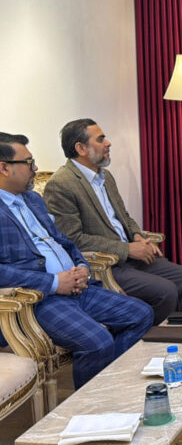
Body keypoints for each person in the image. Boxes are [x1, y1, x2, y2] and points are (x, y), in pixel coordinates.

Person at [0, 132, 153, 389]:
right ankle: (92, 403)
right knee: (98, 341)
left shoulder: (32, 199)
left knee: (141, 314)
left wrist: (81, 266)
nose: (35, 168)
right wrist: (53, 282)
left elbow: (65, 241)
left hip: (78, 286)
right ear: (4, 168)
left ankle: (109, 386)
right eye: (28, 162)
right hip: (38, 300)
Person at [43, 119, 182, 325]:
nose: (108, 143)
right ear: (81, 148)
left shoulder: (105, 176)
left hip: (131, 257)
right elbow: (72, 239)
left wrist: (137, 236)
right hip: (106, 265)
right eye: (100, 139)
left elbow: (124, 216)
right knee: (166, 291)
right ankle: (154, 341)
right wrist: (127, 249)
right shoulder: (61, 184)